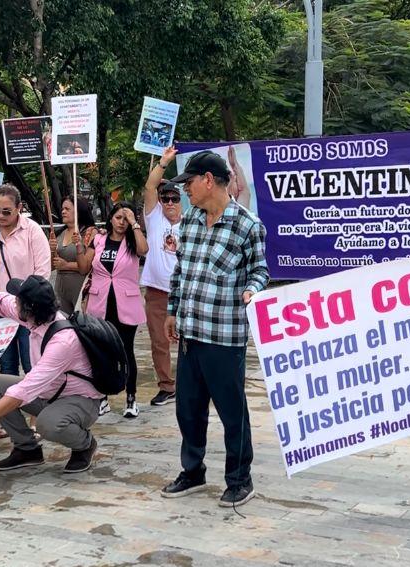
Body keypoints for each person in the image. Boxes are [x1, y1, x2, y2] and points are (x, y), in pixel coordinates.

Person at [160, 151, 269, 507]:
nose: (185, 191)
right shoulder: (190, 222)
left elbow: (260, 271)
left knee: (232, 412)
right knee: (188, 410)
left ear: (208, 180)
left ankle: (240, 479)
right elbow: (181, 272)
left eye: (188, 183)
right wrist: (172, 311)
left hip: (224, 337)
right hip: (190, 335)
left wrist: (252, 289)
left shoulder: (247, 225)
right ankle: (193, 471)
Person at [0, 275, 102, 474]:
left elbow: (22, 392)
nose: (14, 302)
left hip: (80, 401)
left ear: (28, 308)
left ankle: (85, 444)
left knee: (47, 424)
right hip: (49, 394)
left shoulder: (62, 342)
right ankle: (27, 449)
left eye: (18, 300)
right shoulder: (35, 315)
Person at [80, 201, 147, 418]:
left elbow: (143, 250)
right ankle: (102, 397)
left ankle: (131, 398)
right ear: (110, 218)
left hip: (125, 303)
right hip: (100, 303)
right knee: (101, 352)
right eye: (119, 217)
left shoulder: (132, 242)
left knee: (126, 351)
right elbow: (83, 267)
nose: (122, 223)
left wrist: (135, 223)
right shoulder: (98, 239)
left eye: (125, 219)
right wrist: (80, 246)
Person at [0, 184, 52, 376]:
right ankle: (10, 406)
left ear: (19, 208)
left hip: (27, 310)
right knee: (6, 367)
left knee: (32, 365)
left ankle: (36, 405)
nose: (0, 216)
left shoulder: (32, 230)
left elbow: (43, 270)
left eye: (6, 211)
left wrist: (27, 298)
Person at [141, 146, 184, 407]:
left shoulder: (193, 221)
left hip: (185, 293)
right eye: (165, 198)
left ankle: (191, 386)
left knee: (190, 343)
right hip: (157, 293)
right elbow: (149, 187)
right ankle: (167, 387)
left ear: (182, 201)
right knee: (159, 342)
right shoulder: (154, 217)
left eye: (174, 198)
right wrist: (164, 163)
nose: (169, 203)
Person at [50, 196, 96, 315]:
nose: (63, 212)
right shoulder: (59, 233)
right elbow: (52, 266)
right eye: (62, 209)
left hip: (80, 286)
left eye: (67, 209)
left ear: (79, 211)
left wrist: (66, 265)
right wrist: (51, 250)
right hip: (60, 288)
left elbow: (89, 266)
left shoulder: (89, 232)